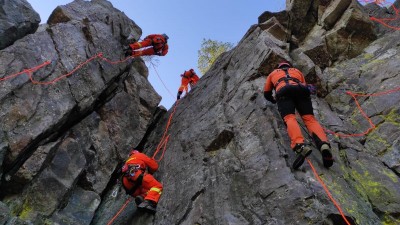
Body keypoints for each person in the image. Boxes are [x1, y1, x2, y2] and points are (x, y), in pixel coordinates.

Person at [263, 61, 334, 169]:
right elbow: (303, 84)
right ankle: (323, 144)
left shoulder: (273, 73)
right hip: (301, 91)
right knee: (310, 119)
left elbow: (267, 93)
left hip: (284, 91)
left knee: (289, 117)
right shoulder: (296, 71)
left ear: (279, 67)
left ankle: (299, 145)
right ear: (289, 66)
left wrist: (273, 100)